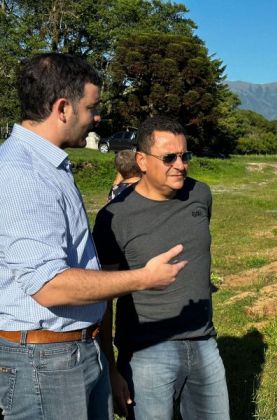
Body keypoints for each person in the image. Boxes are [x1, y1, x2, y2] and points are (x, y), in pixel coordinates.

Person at [0, 53, 186, 420]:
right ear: (63, 108)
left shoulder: (48, 165)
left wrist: (104, 359)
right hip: (44, 364)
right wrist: (143, 279)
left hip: (73, 352)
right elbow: (49, 285)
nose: (97, 117)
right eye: (92, 107)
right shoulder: (22, 174)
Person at [93, 116, 229, 419]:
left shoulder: (200, 194)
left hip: (204, 341)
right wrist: (111, 369)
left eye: (185, 155)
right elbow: (103, 298)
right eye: (169, 157)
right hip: (147, 351)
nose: (180, 165)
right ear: (142, 160)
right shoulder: (114, 217)